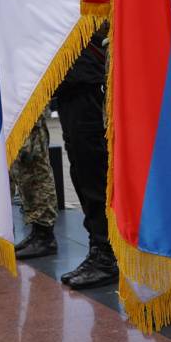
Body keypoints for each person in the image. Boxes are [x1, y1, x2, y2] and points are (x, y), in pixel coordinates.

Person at [56, 29, 119, 289]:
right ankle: (98, 248)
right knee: (80, 171)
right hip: (68, 80)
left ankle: (106, 253)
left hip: (87, 78)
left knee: (93, 171)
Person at [10, 113, 60, 259]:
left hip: (24, 111)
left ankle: (45, 237)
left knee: (34, 167)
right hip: (13, 112)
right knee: (23, 170)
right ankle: (37, 233)